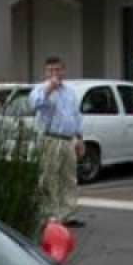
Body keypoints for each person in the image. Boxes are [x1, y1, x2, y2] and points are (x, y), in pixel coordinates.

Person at [28, 56, 85, 228]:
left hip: (68, 140)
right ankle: (50, 215)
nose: (55, 73)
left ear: (63, 71)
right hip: (50, 138)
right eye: (51, 70)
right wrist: (49, 90)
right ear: (46, 72)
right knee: (48, 178)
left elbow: (76, 115)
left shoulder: (70, 91)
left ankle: (67, 214)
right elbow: (35, 105)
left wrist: (80, 138)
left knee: (68, 178)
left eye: (58, 69)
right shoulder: (40, 89)